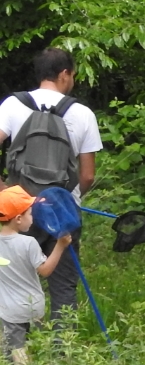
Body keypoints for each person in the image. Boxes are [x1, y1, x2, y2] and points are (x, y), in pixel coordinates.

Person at [0, 48, 102, 325]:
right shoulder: (82, 113)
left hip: (19, 211)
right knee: (63, 286)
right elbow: (88, 176)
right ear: (64, 74)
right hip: (62, 212)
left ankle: (16, 346)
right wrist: (67, 198)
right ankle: (62, 346)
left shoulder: (12, 105)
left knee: (15, 283)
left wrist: (4, 192)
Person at [0, 185, 72, 365]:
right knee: (38, 346)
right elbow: (45, 270)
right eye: (30, 214)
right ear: (18, 219)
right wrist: (60, 246)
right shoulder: (28, 242)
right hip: (33, 307)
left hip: (8, 310)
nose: (33, 218)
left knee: (16, 351)